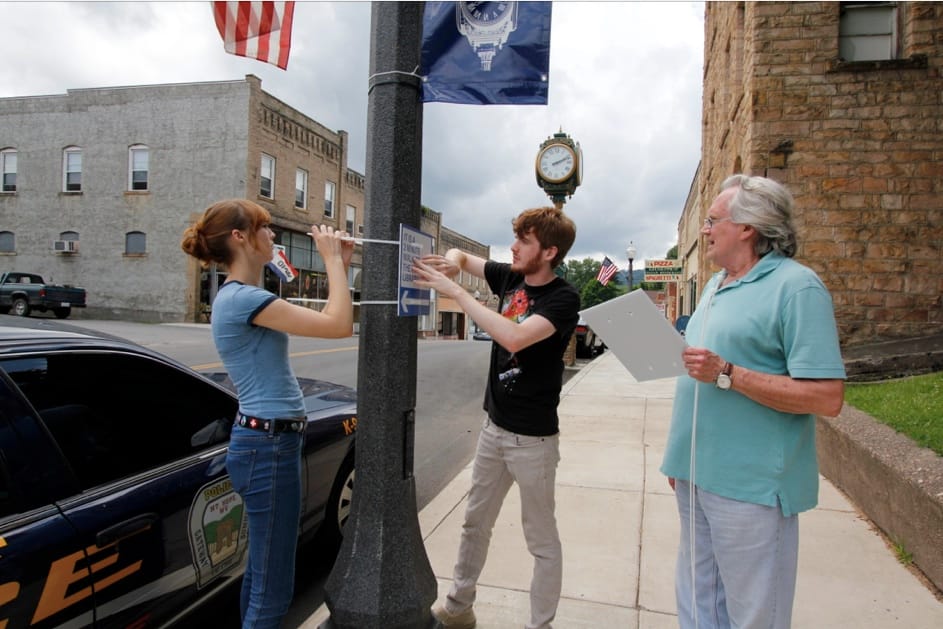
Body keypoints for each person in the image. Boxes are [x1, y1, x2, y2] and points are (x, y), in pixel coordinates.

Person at [661, 175, 846, 629]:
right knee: (699, 603)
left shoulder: (797, 288)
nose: (705, 230)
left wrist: (728, 373)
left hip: (753, 487)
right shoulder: (714, 287)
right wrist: (679, 460)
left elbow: (827, 397)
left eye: (712, 221)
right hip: (695, 475)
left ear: (747, 227)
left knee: (754, 614)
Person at [180, 199, 353, 628]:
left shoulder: (240, 298)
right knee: (272, 588)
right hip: (268, 448)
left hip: (266, 445)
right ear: (240, 237)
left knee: (261, 576)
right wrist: (331, 261)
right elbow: (338, 325)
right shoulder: (244, 300)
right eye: (264, 228)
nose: (271, 235)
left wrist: (339, 266)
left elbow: (335, 318)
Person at [413, 206, 579, 629]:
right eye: (517, 237)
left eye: (524, 240)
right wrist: (449, 266)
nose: (514, 246)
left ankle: (540, 624)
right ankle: (458, 606)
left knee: (541, 541)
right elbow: (460, 255)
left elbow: (514, 336)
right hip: (494, 429)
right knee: (474, 522)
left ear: (549, 251)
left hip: (533, 441)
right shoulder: (510, 277)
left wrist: (458, 293)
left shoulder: (563, 298)